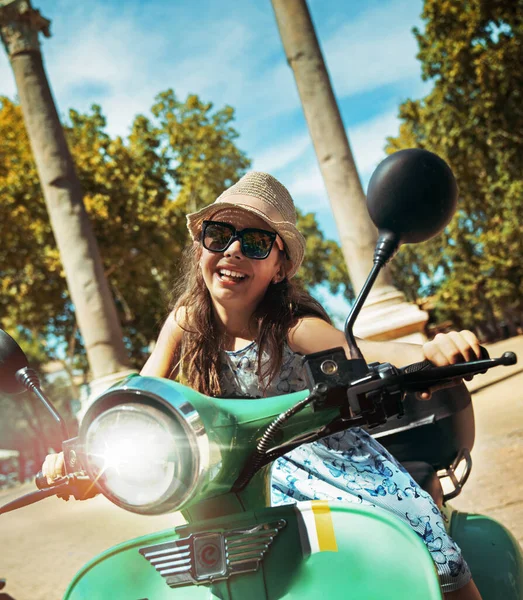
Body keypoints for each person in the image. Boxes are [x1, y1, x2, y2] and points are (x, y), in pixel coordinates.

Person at [44, 172, 482, 599]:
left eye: (254, 242)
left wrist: (434, 349)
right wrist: (84, 449)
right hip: (239, 478)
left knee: (421, 532)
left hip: (330, 462)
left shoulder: (290, 328)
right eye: (219, 234)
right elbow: (141, 393)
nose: (233, 249)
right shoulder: (184, 322)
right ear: (201, 249)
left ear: (279, 267)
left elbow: (363, 350)